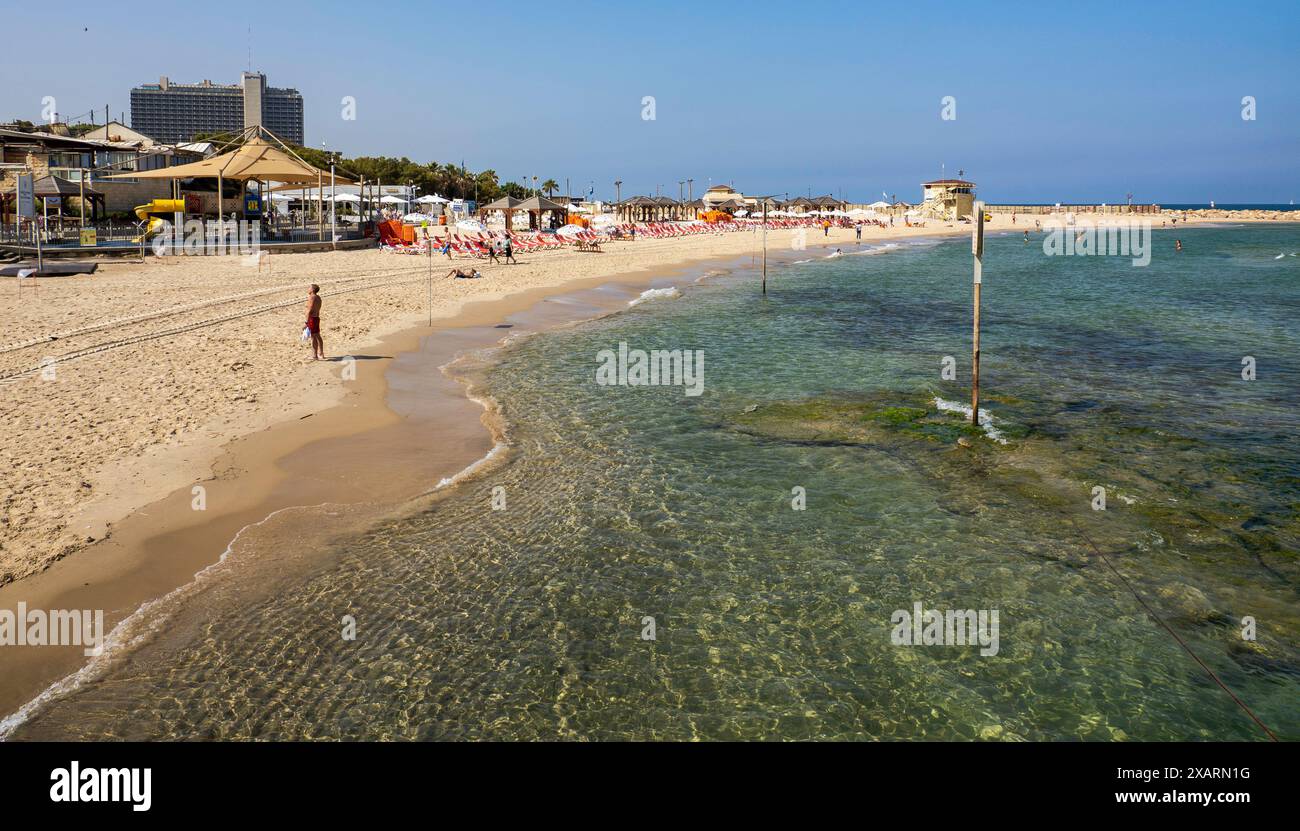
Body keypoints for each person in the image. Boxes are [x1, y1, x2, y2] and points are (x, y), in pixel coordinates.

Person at [305, 284, 324, 360]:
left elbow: (309, 310)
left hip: (312, 319)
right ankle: (320, 353)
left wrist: (306, 322)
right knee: (317, 336)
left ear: (312, 290)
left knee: (313, 337)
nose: (308, 289)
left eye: (309, 288)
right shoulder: (318, 297)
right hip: (316, 318)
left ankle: (314, 355)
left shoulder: (312, 297)